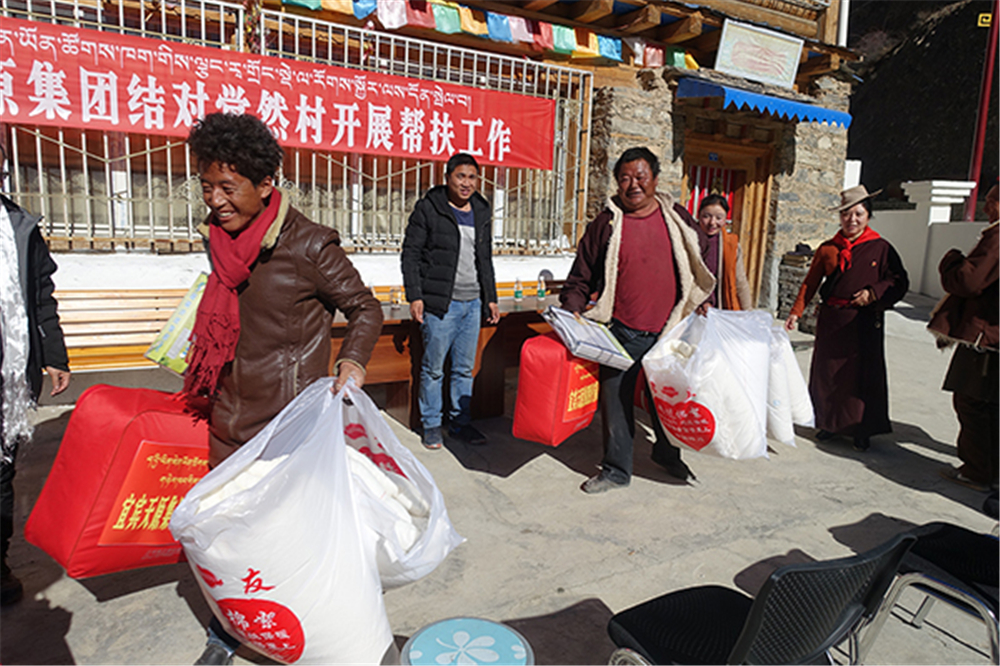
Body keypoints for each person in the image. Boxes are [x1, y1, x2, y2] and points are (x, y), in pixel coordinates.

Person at [184, 113, 383, 665]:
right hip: (229, 410)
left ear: (265, 184)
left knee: (284, 535)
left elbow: (365, 307)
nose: (215, 199)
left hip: (286, 422)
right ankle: (228, 628)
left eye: (228, 187)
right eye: (206, 185)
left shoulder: (309, 245)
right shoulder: (218, 241)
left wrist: (352, 362)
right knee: (226, 532)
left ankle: (304, 623)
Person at [560, 147, 714, 494]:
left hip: (669, 330)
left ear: (655, 179)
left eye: (640, 177)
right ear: (617, 183)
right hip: (621, 330)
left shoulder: (675, 216)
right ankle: (616, 470)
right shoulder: (607, 223)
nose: (633, 185)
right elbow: (581, 272)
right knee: (615, 402)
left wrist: (704, 299)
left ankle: (667, 453)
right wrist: (573, 306)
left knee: (668, 399)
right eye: (625, 178)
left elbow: (698, 260)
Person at [784, 185, 909, 452]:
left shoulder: (881, 248)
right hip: (832, 321)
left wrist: (873, 293)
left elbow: (898, 281)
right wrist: (796, 312)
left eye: (858, 214)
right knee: (828, 376)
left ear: (868, 215)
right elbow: (811, 283)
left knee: (861, 376)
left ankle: (861, 430)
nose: (852, 220)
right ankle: (829, 424)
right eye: (846, 215)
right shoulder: (828, 248)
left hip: (864, 322)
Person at [401, 153, 499, 450]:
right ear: (447, 178)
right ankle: (431, 424)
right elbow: (411, 254)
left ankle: (460, 423)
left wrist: (491, 298)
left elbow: (485, 258)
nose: (466, 183)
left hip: (472, 304)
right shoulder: (429, 208)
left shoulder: (481, 210)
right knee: (433, 369)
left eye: (472, 177)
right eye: (461, 176)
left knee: (462, 369)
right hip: (440, 304)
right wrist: (415, 295)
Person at [1, 193, 71, 606]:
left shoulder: (20, 226)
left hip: (9, 377)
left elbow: (42, 294)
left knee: (2, 473)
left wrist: (53, 355)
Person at [927, 183, 998, 492]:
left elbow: (967, 280)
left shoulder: (997, 237)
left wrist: (951, 261)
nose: (986, 209)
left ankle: (978, 472)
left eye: (992, 202)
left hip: (987, 339)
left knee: (974, 402)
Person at [692, 194, 753, 311]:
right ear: (698, 216)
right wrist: (702, 302)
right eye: (706, 216)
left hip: (720, 308)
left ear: (725, 220)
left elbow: (740, 281)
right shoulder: (689, 240)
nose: (712, 223)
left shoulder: (731, 245)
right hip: (691, 309)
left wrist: (748, 312)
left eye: (719, 218)